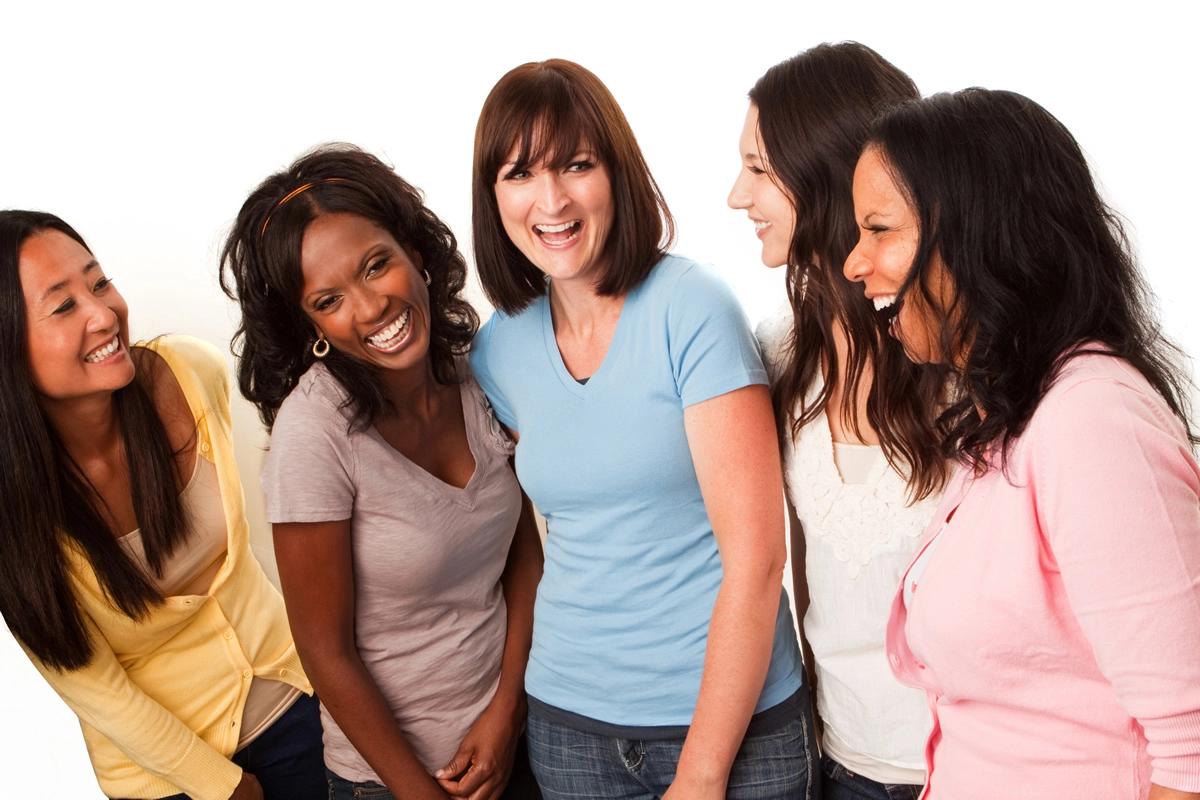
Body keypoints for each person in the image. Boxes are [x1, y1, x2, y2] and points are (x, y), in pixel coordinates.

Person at [469, 59, 814, 800]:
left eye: (577, 165)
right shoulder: (498, 348)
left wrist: (702, 772)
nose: (552, 199)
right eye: (519, 173)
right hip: (569, 729)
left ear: (616, 175)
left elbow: (757, 561)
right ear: (492, 195)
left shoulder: (693, 309)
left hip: (732, 727)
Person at [843, 88, 1200, 799]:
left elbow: (1192, 752)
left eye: (880, 230)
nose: (856, 264)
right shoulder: (1013, 420)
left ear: (977, 235)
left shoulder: (1091, 423)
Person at [219, 144, 543, 800]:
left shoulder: (474, 374)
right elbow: (324, 653)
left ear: (415, 253)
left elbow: (524, 557)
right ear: (309, 323)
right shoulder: (314, 435)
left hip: (513, 742)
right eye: (330, 299)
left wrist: (506, 714)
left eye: (377, 265)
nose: (370, 309)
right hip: (389, 782)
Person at [0, 210, 326, 800]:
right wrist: (223, 787)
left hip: (301, 703)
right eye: (63, 306)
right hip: (165, 779)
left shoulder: (187, 372)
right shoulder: (12, 512)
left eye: (98, 283)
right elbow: (98, 693)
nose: (103, 314)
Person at [727, 42, 949, 800]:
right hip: (837, 763)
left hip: (972, 769)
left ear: (823, 173)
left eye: (759, 168)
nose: (736, 195)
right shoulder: (778, 351)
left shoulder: (967, 363)